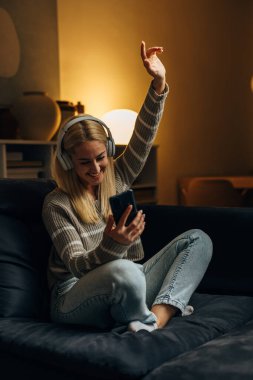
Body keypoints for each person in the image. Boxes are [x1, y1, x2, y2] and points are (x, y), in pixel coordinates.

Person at [42, 41, 213, 333]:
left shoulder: (118, 174)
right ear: (67, 161)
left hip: (126, 283)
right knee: (125, 269)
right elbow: (77, 267)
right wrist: (115, 244)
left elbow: (143, 137)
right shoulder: (57, 204)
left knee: (198, 240)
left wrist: (158, 83)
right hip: (74, 297)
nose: (95, 169)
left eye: (100, 158)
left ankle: (156, 318)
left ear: (108, 150)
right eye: (84, 163)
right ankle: (143, 317)